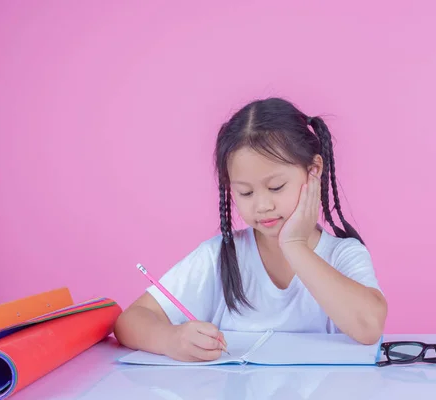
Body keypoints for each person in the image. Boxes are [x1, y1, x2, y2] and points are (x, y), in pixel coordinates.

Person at [113, 97, 387, 362]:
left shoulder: (343, 254)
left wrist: (295, 246)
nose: (262, 205)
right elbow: (130, 321)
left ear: (313, 170)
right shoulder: (219, 255)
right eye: (245, 192)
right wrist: (170, 339)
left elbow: (369, 326)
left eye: (276, 187)